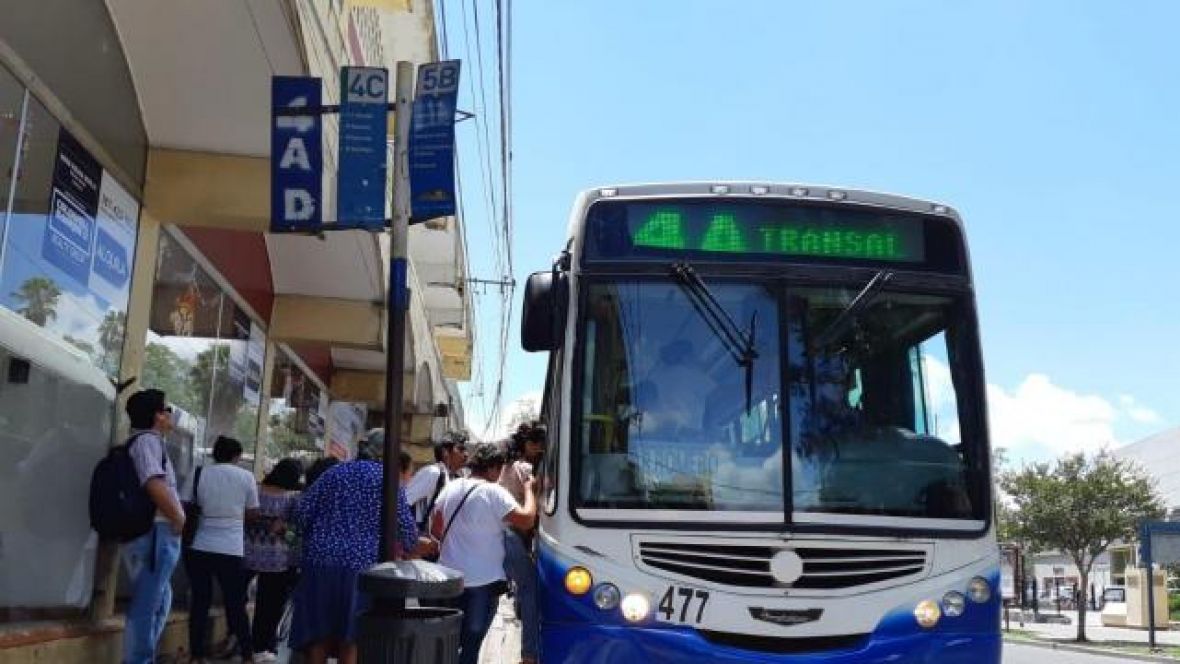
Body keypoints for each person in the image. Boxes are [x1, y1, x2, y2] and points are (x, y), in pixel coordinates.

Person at [288, 433, 418, 664]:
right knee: (352, 638)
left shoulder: (333, 473)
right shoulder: (388, 481)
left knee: (318, 634)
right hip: (360, 569)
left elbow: (300, 514)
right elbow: (407, 531)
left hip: (320, 562)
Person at [431, 443, 537, 664]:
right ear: (492, 469)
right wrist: (529, 490)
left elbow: (436, 531)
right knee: (471, 646)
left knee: (450, 642)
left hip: (448, 581)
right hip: (482, 584)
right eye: (498, 471)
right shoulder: (494, 492)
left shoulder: (451, 487)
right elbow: (527, 520)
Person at [122, 389, 185, 664]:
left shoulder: (151, 442)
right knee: (148, 604)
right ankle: (137, 660)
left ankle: (142, 655)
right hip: (156, 533)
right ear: (158, 415)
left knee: (160, 600)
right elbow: (153, 484)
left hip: (158, 533)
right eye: (167, 409)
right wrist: (178, 518)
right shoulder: (147, 442)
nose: (171, 414)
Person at [185, 436, 259, 664]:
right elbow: (253, 513)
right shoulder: (246, 477)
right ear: (237, 456)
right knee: (235, 603)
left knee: (200, 602)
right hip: (231, 548)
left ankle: (196, 654)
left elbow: (187, 504)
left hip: (200, 545)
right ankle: (247, 654)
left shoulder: (198, 473)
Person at [245, 458, 303, 663]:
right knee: (268, 606)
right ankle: (262, 646)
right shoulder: (293, 499)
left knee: (239, 600)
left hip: (248, 553)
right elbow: (294, 536)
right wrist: (285, 529)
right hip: (277, 560)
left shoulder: (256, 490)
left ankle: (242, 641)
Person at [499, 423, 546, 664]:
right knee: (530, 593)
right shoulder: (525, 469)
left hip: (507, 536)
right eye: (534, 442)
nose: (538, 448)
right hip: (512, 535)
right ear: (525, 444)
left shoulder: (509, 465)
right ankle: (529, 655)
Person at [405, 434, 468, 534]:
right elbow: (403, 502)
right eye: (460, 449)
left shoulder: (456, 478)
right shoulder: (433, 473)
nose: (466, 454)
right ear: (445, 452)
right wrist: (413, 535)